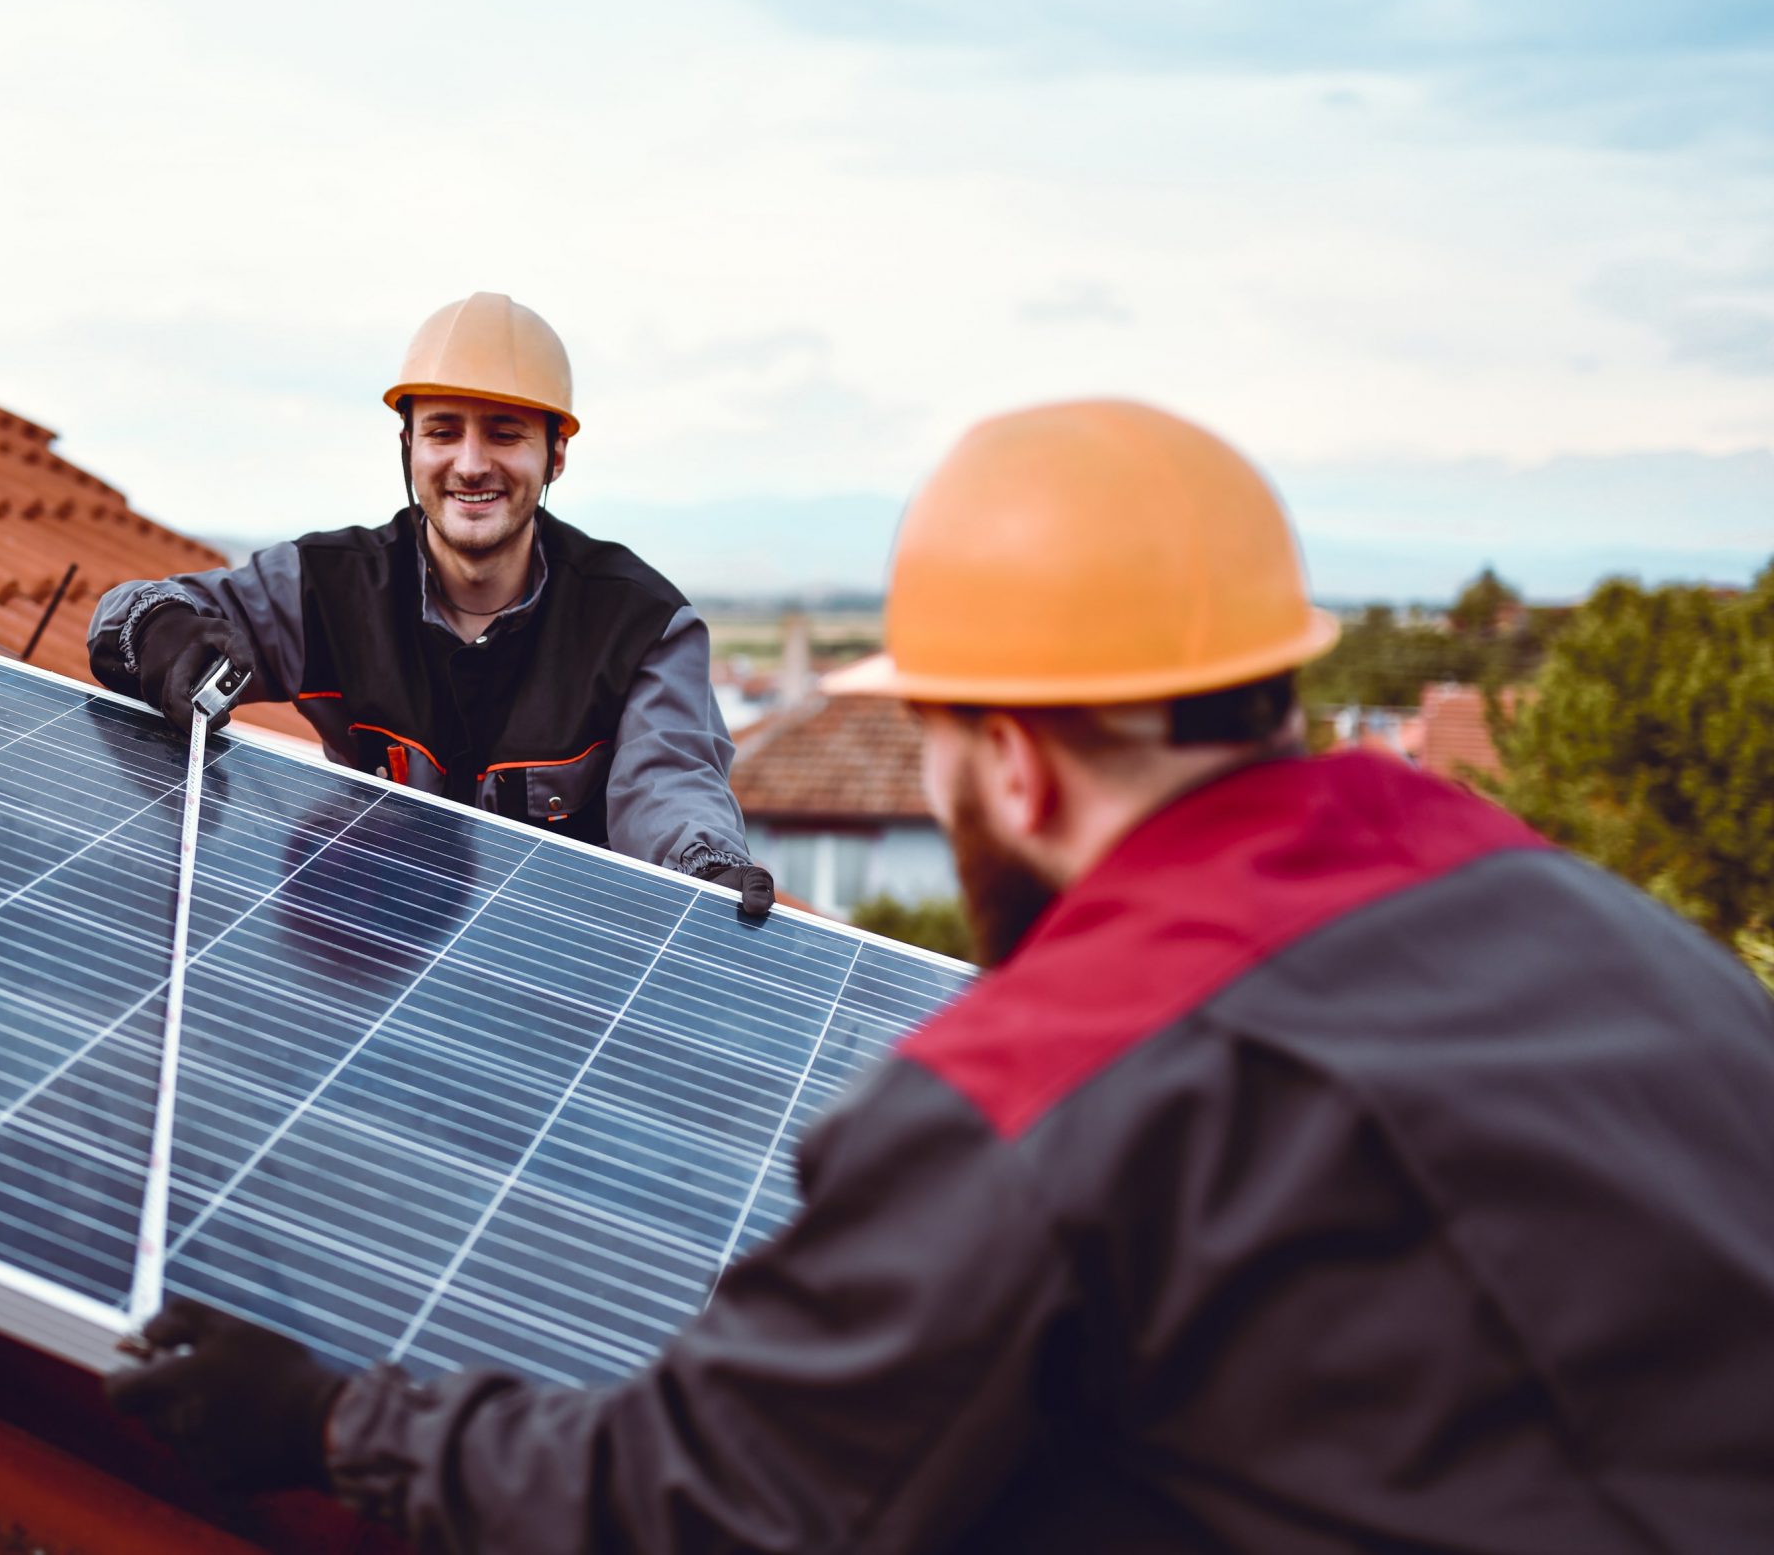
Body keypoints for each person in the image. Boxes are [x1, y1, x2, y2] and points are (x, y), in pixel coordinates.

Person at [108, 399, 1774, 1551]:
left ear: (1016, 773)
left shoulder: (1036, 1096)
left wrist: (338, 1423)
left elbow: (716, 1498)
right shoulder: (1556, 897)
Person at [88, 292, 774, 918]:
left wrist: (702, 867)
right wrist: (157, 629)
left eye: (504, 433)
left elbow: (671, 781)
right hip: (381, 949)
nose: (471, 464)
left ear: (556, 452)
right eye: (445, 431)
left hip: (560, 976)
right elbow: (145, 607)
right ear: (408, 444)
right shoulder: (326, 587)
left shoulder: (642, 625)